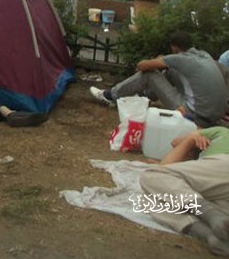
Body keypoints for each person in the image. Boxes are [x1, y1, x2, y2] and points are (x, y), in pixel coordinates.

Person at [90, 31, 229, 127]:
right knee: (171, 71)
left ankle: (109, 95)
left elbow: (141, 66)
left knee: (149, 74)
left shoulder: (181, 58)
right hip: (215, 114)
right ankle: (146, 96)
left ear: (174, 47)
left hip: (195, 114)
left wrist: (159, 60)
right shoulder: (204, 55)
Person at [139, 127, 229, 255]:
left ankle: (214, 218)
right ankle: (214, 236)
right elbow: (164, 180)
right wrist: (190, 141)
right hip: (219, 196)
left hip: (224, 165)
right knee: (150, 199)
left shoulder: (222, 131)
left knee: (152, 176)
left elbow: (174, 145)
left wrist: (190, 139)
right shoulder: (199, 172)